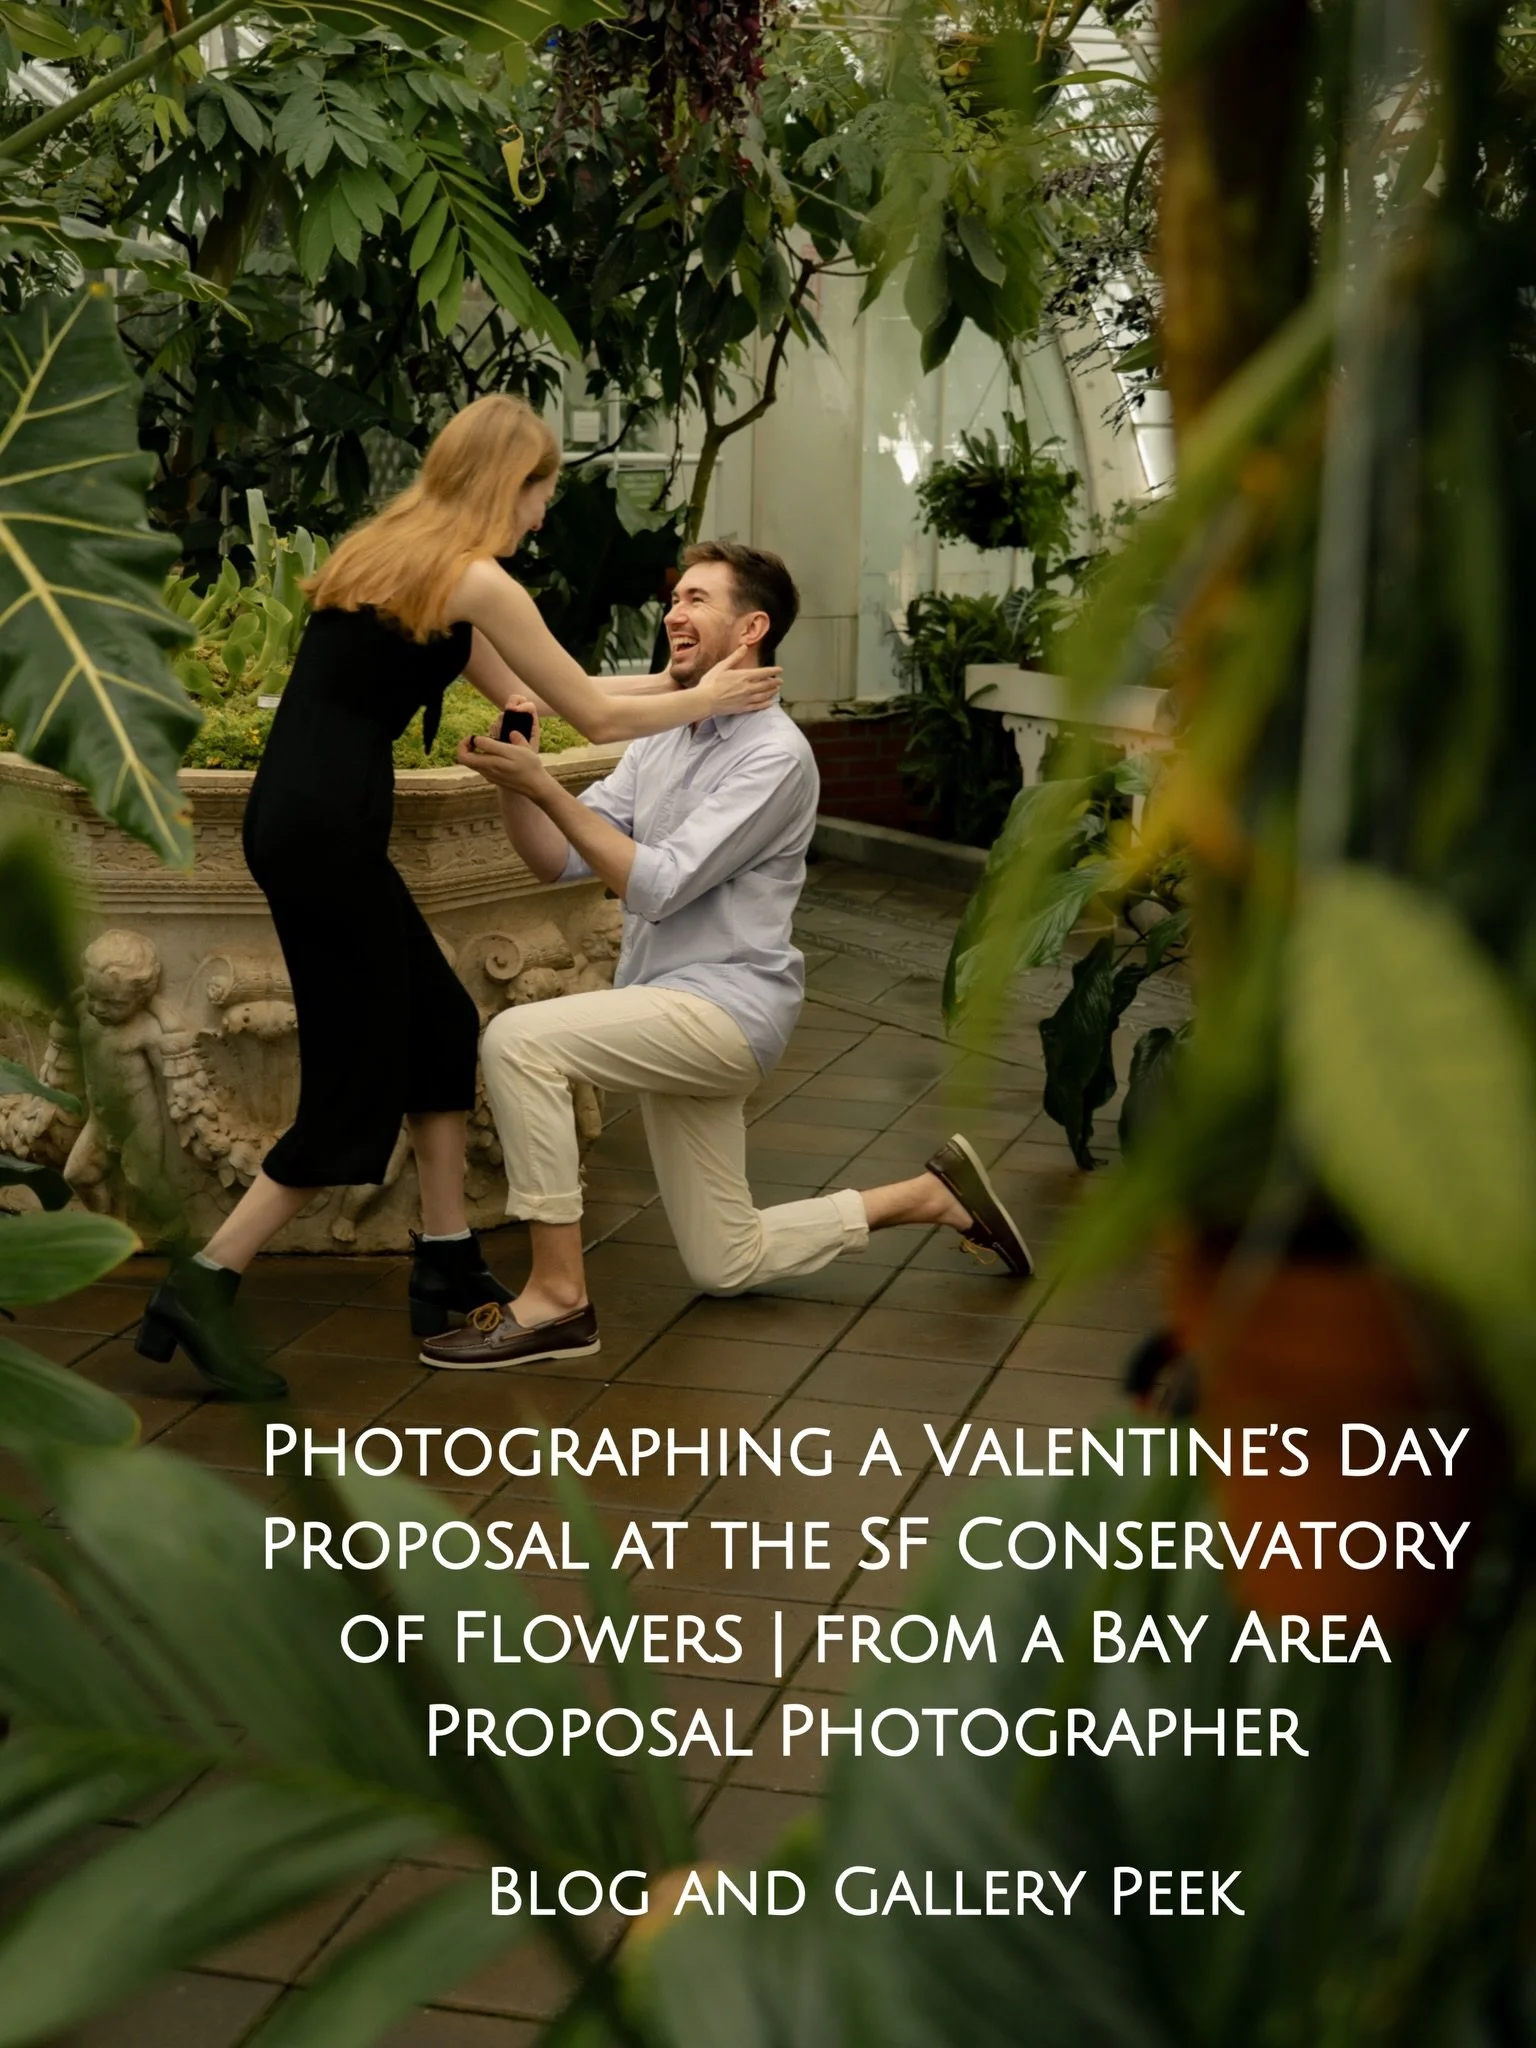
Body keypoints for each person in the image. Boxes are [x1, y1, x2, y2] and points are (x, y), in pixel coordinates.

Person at [134, 399, 781, 1401]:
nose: (536, 520)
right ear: (504, 481)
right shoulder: (475, 575)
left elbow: (536, 686)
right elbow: (597, 709)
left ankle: (444, 1257)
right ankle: (203, 1284)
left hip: (307, 822)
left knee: (438, 1023)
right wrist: (708, 698)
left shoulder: (393, 555)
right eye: (536, 498)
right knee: (352, 1087)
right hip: (326, 833)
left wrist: (644, 693)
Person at [418, 540, 1032, 1371]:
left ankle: (558, 1300)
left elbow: (657, 885)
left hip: (726, 1011)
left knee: (519, 1040)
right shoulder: (669, 736)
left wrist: (546, 787)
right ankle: (928, 1195)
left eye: (697, 599)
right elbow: (558, 860)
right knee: (726, 1261)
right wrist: (513, 779)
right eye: (676, 599)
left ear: (752, 627)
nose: (674, 612)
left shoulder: (774, 754)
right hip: (665, 999)